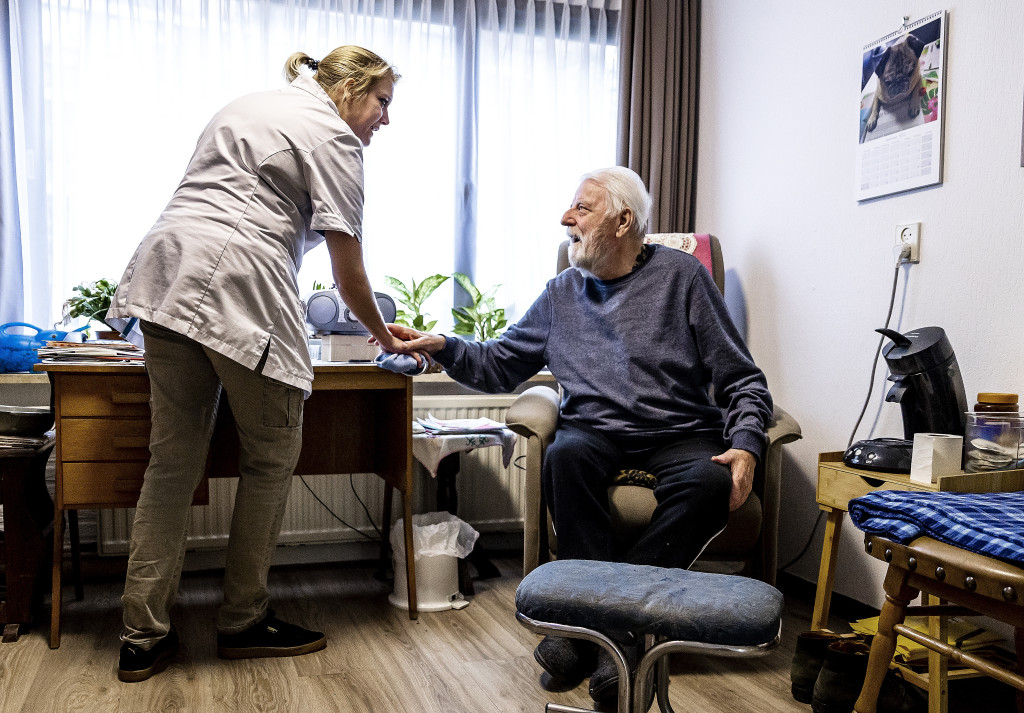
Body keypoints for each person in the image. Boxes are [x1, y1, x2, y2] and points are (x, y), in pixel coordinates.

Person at [380, 166, 773, 702]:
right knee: (565, 457)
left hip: (680, 429)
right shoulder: (562, 292)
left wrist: (747, 442)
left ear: (623, 221)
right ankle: (621, 634)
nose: (566, 218)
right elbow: (499, 363)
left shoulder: (682, 277)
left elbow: (742, 378)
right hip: (596, 430)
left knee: (710, 483)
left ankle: (594, 627)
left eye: (582, 209)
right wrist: (443, 346)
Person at [105, 46, 418, 683]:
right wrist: (384, 337)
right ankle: (243, 620)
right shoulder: (334, 136)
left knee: (172, 463)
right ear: (350, 89)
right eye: (382, 101)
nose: (386, 119)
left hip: (165, 271)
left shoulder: (246, 105)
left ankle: (141, 636)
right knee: (271, 455)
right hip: (239, 282)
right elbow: (347, 269)